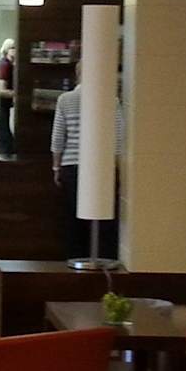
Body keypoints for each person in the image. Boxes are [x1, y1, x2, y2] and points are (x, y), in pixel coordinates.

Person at [50, 63, 126, 260]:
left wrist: (56, 167)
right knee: (104, 219)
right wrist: (116, 167)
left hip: (72, 166)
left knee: (74, 219)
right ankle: (104, 260)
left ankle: (76, 260)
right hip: (103, 167)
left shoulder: (65, 99)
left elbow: (58, 138)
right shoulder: (111, 100)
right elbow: (118, 137)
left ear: (77, 74)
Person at [0, 37, 17, 156]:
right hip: (3, 104)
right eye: (12, 48)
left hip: (7, 104)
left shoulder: (10, 65)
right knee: (5, 132)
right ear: (6, 50)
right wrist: (17, 94)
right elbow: (1, 90)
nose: (15, 50)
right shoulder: (4, 65)